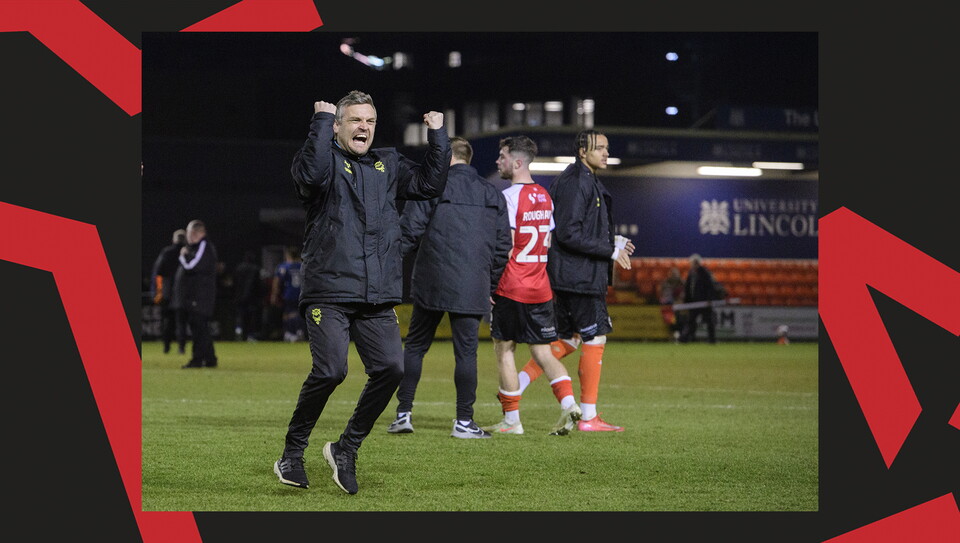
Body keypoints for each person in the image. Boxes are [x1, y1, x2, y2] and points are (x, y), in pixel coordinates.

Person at [274, 90, 450, 494]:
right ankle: (292, 453)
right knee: (331, 370)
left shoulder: (386, 163)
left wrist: (437, 137)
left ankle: (346, 448)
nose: (363, 128)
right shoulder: (319, 157)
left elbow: (429, 184)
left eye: (369, 121)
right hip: (329, 291)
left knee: (392, 369)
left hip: (376, 293)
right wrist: (317, 123)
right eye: (354, 120)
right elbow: (312, 176)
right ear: (336, 125)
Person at [386, 136, 511, 439]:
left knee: (415, 346)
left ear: (447, 158)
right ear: (468, 159)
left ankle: (403, 414)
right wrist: (489, 285)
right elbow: (503, 246)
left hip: (431, 279)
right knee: (466, 354)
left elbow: (410, 231)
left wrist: (385, 269)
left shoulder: (432, 187)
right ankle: (464, 422)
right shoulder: (491, 194)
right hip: (472, 284)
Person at [515, 129, 634, 432]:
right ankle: (589, 417)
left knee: (567, 339)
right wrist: (609, 249)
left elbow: (577, 229)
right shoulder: (577, 182)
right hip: (578, 278)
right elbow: (568, 233)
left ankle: (514, 389)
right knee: (595, 338)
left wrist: (613, 239)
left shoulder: (584, 179)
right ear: (583, 151)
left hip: (572, 275)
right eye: (600, 148)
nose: (607, 153)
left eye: (608, 147)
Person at [480, 135, 582, 437]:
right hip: (540, 288)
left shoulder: (510, 197)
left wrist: (491, 284)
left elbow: (509, 247)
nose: (498, 161)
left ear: (517, 161)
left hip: (513, 287)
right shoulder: (544, 196)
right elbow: (546, 243)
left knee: (505, 349)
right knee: (543, 352)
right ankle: (569, 405)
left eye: (502, 156)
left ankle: (511, 421)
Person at [174, 219, 219, 368]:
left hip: (201, 297)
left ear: (195, 233)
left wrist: (183, 256)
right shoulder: (199, 247)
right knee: (200, 328)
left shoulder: (204, 245)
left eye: (188, 232)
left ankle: (197, 359)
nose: (187, 236)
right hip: (198, 296)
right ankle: (210, 359)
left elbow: (192, 266)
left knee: (199, 328)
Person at [150, 228, 187, 354]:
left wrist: (156, 291)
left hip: (167, 292)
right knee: (181, 322)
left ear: (173, 240)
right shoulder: (188, 252)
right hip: (183, 293)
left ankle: (166, 347)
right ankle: (181, 347)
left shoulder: (166, 252)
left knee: (167, 321)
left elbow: (158, 271)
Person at [680, 253, 719, 344]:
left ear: (697, 263)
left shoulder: (704, 272)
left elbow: (710, 287)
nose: (692, 265)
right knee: (691, 321)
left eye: (693, 263)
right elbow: (688, 288)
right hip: (694, 302)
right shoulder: (691, 273)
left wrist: (710, 299)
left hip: (704, 302)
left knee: (709, 321)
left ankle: (712, 339)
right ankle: (686, 338)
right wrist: (686, 300)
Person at [271, 246, 306, 342]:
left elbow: (277, 281)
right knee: (300, 313)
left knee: (288, 314)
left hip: (289, 294)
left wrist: (274, 295)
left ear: (288, 255)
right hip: (302, 294)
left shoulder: (284, 266)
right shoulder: (303, 266)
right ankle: (300, 331)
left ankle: (290, 333)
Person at [233, 250, 263, 341]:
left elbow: (235, 283)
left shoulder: (239, 268)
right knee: (252, 317)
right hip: (252, 297)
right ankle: (251, 335)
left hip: (239, 296)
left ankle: (238, 331)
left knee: (240, 315)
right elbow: (258, 284)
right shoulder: (256, 269)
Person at [658, 266, 684, 343]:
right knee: (670, 322)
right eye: (672, 274)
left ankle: (679, 336)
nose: (674, 276)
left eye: (675, 274)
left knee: (679, 321)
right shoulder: (665, 283)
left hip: (679, 307)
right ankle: (671, 337)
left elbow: (684, 294)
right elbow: (661, 294)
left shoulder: (682, 283)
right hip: (668, 306)